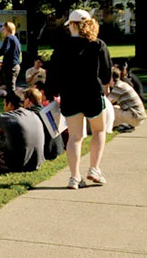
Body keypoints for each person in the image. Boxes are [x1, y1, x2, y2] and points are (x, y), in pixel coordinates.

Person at [47, 10, 112, 189]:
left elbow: (53, 73)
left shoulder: (61, 47)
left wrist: (52, 91)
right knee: (99, 131)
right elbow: (106, 74)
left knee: (75, 137)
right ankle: (94, 168)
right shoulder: (98, 45)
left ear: (72, 25)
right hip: (92, 94)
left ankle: (74, 177)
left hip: (70, 95)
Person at [24, 87, 64, 161]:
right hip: (58, 148)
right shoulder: (47, 111)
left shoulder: (30, 114)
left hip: (47, 151)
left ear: (27, 100)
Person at [0, 22, 21, 96]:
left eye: (3, 29)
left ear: (8, 29)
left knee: (10, 88)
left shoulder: (9, 38)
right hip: (15, 65)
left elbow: (4, 50)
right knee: (11, 86)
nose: (2, 31)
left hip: (11, 66)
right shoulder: (15, 39)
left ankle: (13, 103)